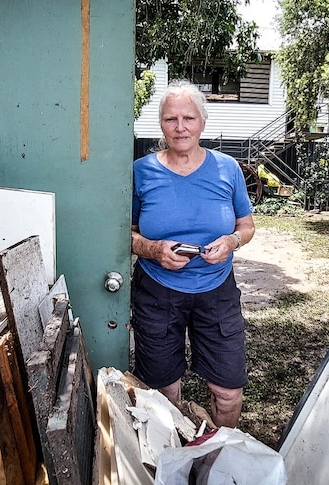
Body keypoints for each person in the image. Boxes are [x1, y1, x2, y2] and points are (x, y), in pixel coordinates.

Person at [130, 80, 255, 429]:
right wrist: (153, 249)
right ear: (161, 124)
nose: (180, 127)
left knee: (228, 393)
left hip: (217, 292)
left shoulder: (227, 168)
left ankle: (217, 460)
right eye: (171, 119)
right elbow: (126, 233)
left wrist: (231, 242)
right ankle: (173, 461)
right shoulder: (141, 172)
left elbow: (247, 225)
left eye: (189, 118)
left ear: (202, 121)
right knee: (164, 393)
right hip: (157, 292)